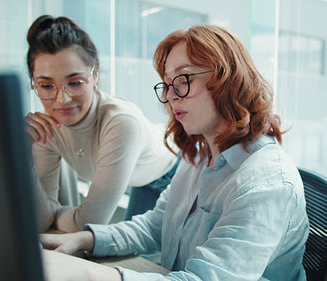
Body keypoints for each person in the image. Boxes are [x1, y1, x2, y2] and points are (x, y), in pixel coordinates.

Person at [40, 24, 309, 281]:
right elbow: (155, 226)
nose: (171, 95)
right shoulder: (201, 154)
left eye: (183, 79)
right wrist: (80, 239)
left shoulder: (264, 184)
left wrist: (85, 273)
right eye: (168, 84)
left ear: (227, 78)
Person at [25, 15, 178, 233]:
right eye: (46, 86)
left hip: (170, 173)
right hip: (137, 177)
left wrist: (54, 213)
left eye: (75, 83)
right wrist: (25, 155)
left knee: (150, 260)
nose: (62, 99)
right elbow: (40, 221)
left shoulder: (121, 122)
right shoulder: (44, 128)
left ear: (95, 74)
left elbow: (90, 224)